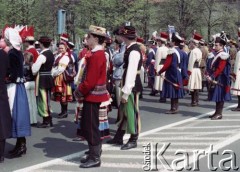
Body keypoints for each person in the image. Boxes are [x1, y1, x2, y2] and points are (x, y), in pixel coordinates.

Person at [74, 25, 109, 168]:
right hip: (93, 95)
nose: (86, 39)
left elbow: (90, 81)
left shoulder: (97, 55)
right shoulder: (96, 53)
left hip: (92, 95)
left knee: (90, 126)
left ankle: (95, 157)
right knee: (89, 125)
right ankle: (93, 152)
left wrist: (79, 91)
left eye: (89, 36)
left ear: (95, 38)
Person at [106, 25, 142, 150]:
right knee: (123, 112)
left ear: (124, 36)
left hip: (131, 85)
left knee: (131, 112)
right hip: (127, 83)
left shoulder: (133, 51)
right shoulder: (130, 48)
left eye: (120, 35)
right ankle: (119, 136)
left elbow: (131, 72)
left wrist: (126, 92)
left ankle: (133, 138)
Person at [4, 27, 31, 158]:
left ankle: (21, 145)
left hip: (14, 86)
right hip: (19, 86)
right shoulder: (18, 52)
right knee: (18, 115)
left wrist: (6, 77)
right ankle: (20, 144)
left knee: (15, 114)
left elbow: (11, 72)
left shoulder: (12, 53)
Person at [158, 33, 185, 114]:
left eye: (170, 41)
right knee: (176, 91)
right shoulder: (181, 52)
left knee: (173, 90)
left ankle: (173, 108)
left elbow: (167, 64)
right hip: (178, 72)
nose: (169, 42)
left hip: (172, 72)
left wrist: (160, 71)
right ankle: (176, 107)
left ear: (173, 42)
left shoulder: (172, 51)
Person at [32, 36, 55, 128]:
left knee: (42, 99)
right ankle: (48, 117)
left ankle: (46, 119)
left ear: (41, 44)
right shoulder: (51, 53)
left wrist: (31, 65)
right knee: (47, 98)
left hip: (42, 78)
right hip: (49, 77)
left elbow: (34, 69)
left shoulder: (42, 55)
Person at [207, 35, 231, 120]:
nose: (215, 46)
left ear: (222, 46)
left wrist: (212, 76)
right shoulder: (216, 54)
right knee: (216, 96)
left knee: (220, 96)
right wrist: (209, 74)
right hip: (216, 77)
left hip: (221, 78)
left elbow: (220, 68)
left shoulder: (223, 55)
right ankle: (216, 112)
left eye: (217, 45)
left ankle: (219, 113)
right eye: (215, 45)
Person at [51, 42, 75, 118]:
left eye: (62, 48)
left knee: (63, 94)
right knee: (60, 94)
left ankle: (65, 112)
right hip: (59, 77)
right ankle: (63, 111)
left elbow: (61, 69)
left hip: (62, 78)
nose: (60, 49)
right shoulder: (60, 55)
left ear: (66, 48)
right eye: (59, 48)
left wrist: (53, 73)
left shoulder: (66, 57)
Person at [0, 37, 12, 163]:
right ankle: (1, 154)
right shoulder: (3, 54)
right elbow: (8, 71)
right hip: (1, 91)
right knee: (1, 122)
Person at [187, 33, 203, 106]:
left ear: (194, 43)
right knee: (197, 85)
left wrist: (189, 71)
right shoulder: (199, 50)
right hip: (197, 69)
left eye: (191, 43)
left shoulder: (193, 51)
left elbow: (191, 62)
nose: (191, 44)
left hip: (193, 69)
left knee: (193, 85)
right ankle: (196, 100)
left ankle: (193, 101)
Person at [154, 32, 169, 102]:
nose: (158, 42)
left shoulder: (159, 49)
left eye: (158, 41)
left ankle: (162, 97)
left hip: (160, 66)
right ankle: (164, 96)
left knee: (160, 82)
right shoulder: (167, 49)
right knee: (164, 81)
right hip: (166, 66)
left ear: (160, 41)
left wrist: (155, 69)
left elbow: (157, 59)